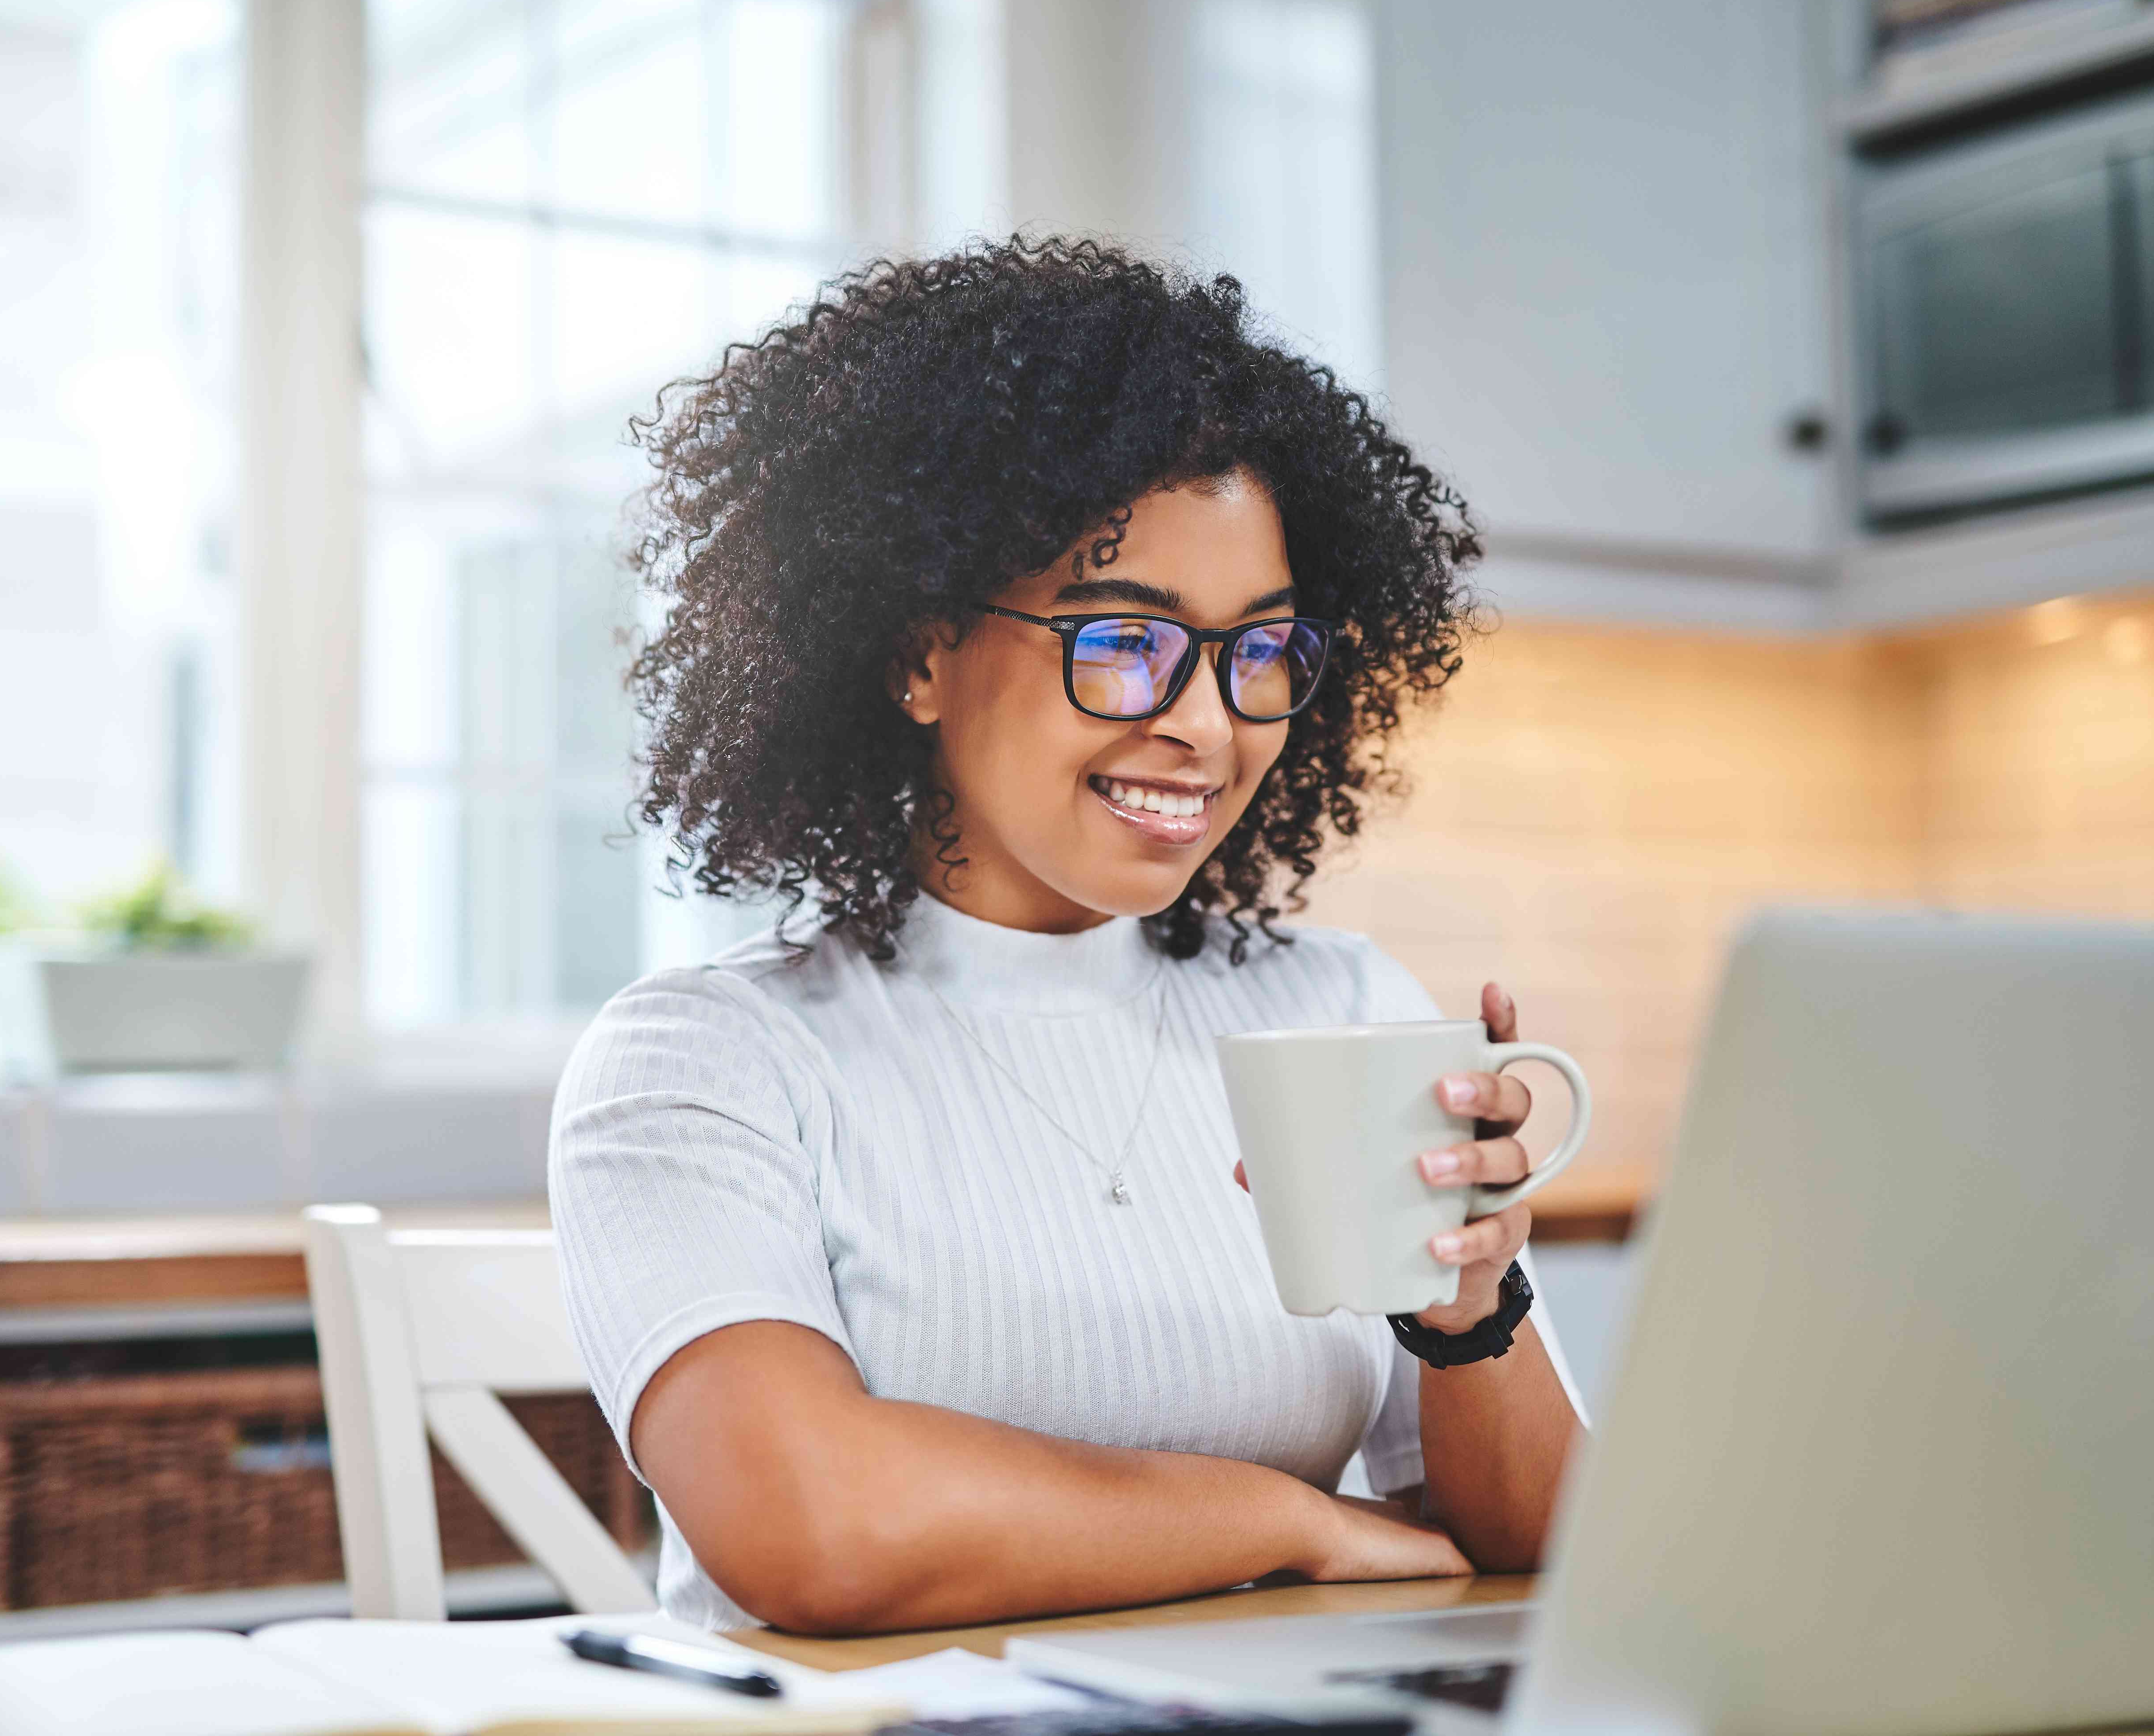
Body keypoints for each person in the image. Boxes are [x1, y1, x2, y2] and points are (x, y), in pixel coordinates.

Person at [551, 238, 1582, 1635]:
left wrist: (1470, 1315)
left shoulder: (1339, 1004)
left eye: (1261, 651)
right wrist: (1286, 1520)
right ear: (921, 653)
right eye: (1122, 639)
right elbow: (814, 1527)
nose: (1209, 725)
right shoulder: (709, 1060)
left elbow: (1532, 1555)